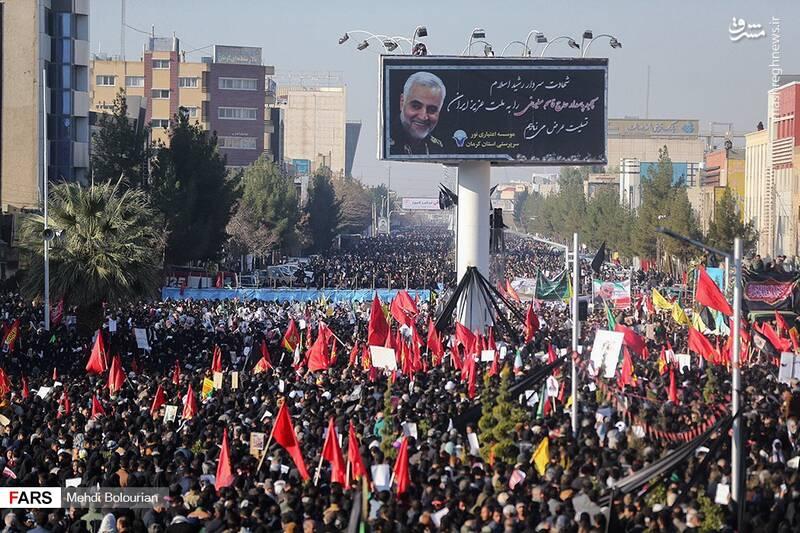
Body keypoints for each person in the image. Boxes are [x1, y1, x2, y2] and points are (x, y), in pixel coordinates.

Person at [389, 71, 446, 156]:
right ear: (402, 102)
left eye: (432, 110)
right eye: (416, 106)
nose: (423, 116)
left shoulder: (437, 148)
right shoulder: (384, 143)